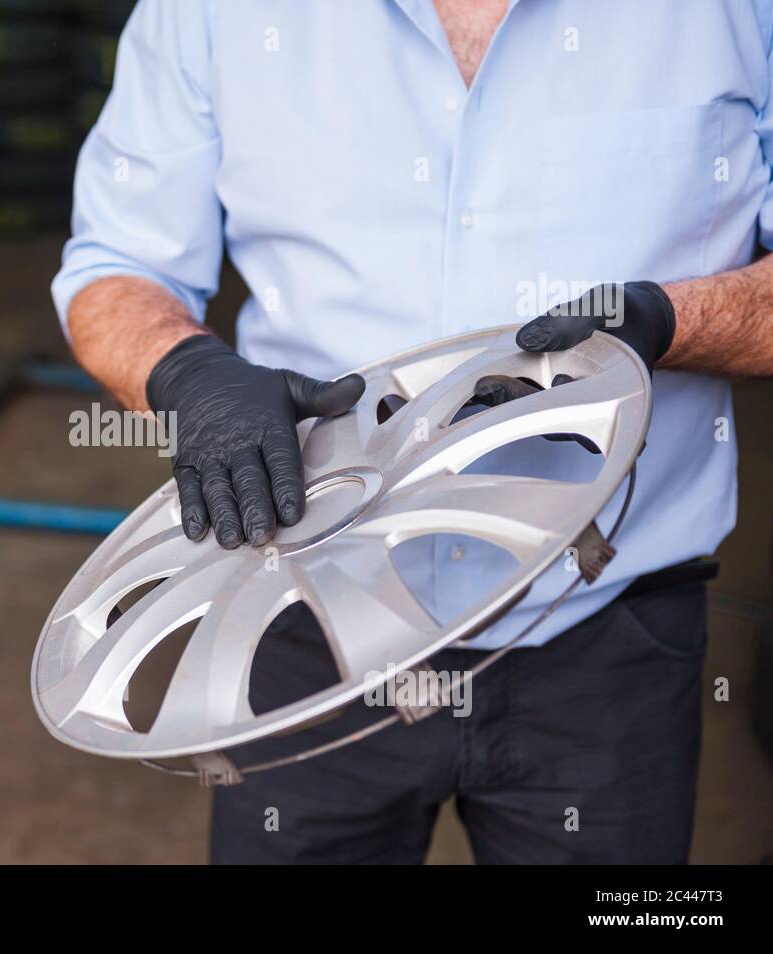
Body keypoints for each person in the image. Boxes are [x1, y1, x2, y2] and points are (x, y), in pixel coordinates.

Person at [51, 0, 773, 863]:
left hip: (606, 628)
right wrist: (184, 372)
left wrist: (666, 322)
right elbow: (116, 264)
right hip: (300, 602)